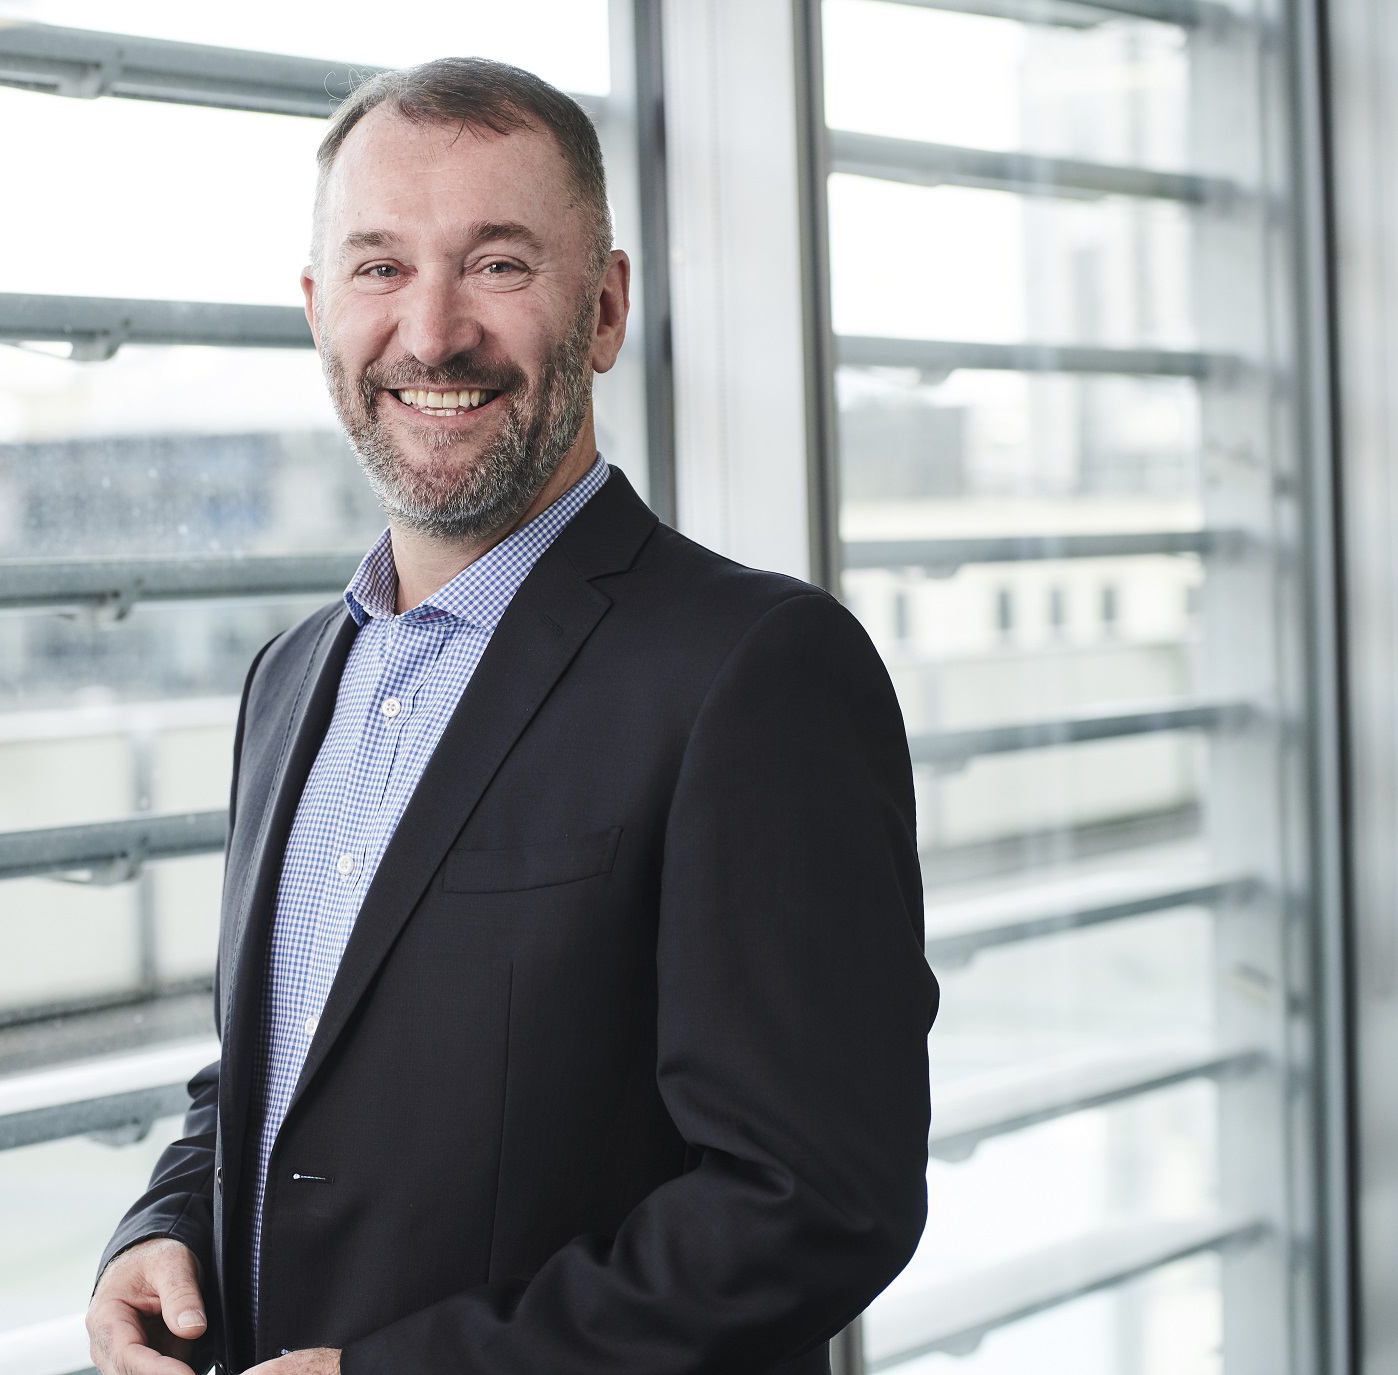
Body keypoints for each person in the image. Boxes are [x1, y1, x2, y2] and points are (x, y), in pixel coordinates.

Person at [86, 56, 936, 1375]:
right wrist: (165, 1228)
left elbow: (814, 1200)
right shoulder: (290, 679)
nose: (430, 334)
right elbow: (287, 1063)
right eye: (379, 267)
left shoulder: (757, 671)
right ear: (318, 310)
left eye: (497, 264)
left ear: (604, 310)